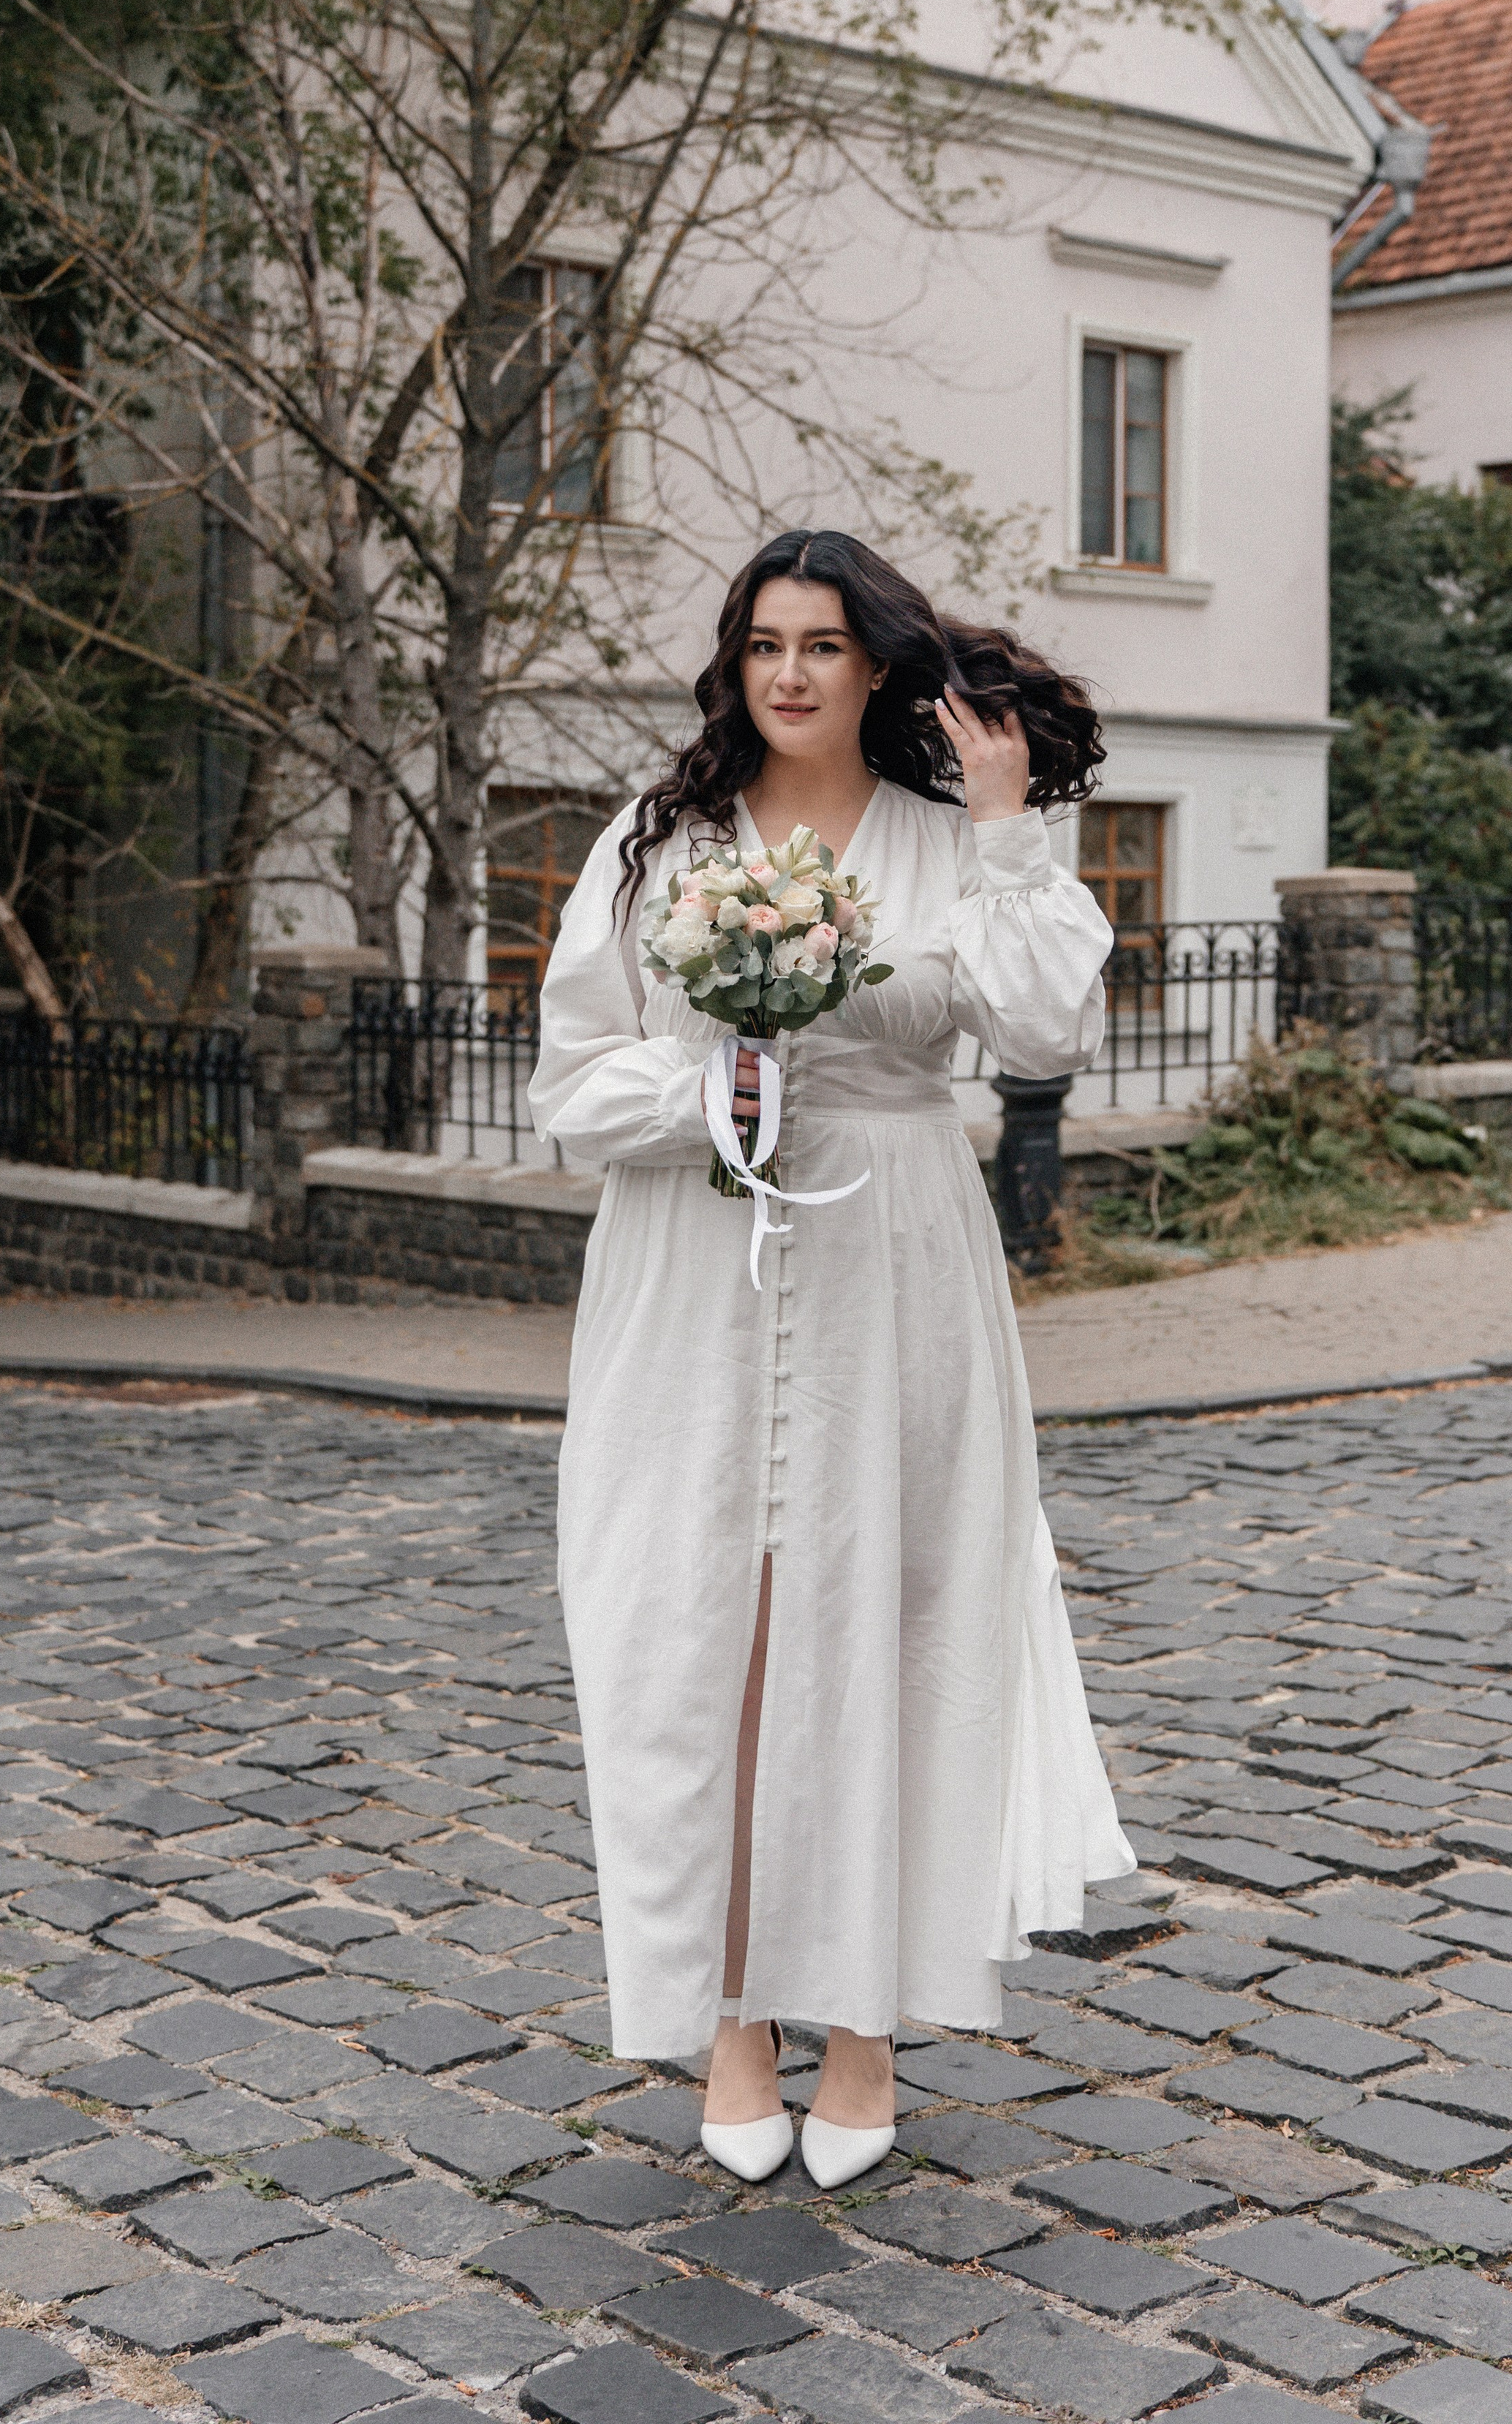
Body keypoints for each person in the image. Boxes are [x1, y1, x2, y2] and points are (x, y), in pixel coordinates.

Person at [527, 527, 1133, 2190]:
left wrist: (1006, 823)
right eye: (762, 644)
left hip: (894, 1264)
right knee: (687, 1627)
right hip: (686, 1266)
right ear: (734, 666)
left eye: (819, 645)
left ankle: (862, 2024)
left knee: (890, 1621)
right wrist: (706, 1094)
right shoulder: (656, 845)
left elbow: (1043, 1032)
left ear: (875, 666)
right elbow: (569, 1083)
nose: (788, 674)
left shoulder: (949, 842)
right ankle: (729, 2018)